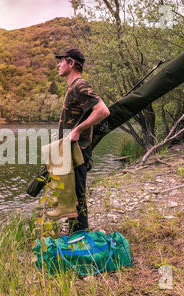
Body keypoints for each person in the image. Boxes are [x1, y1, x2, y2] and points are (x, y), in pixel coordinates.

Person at [53, 48, 110, 233]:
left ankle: (81, 235)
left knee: (78, 193)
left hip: (78, 149)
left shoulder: (79, 85)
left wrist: (77, 129)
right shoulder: (73, 86)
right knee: (72, 193)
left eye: (61, 61)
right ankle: (75, 231)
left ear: (71, 63)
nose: (58, 64)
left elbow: (102, 111)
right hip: (71, 148)